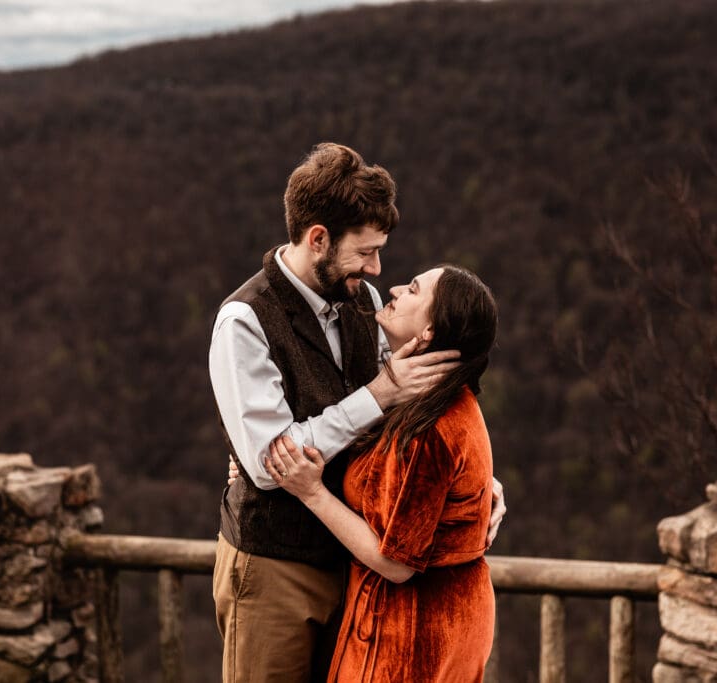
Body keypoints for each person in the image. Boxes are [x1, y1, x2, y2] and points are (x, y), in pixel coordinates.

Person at [209, 143, 504, 682]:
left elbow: (421, 416)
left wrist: (476, 487)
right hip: (276, 569)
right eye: (365, 252)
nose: (376, 268)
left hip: (356, 569)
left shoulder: (363, 300)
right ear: (318, 238)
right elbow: (270, 465)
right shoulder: (245, 322)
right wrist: (379, 392)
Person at [265, 265, 499, 682]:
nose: (391, 288)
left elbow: (397, 564)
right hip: (435, 621)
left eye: (412, 290)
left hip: (413, 634)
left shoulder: (430, 428)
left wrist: (311, 491)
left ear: (428, 333)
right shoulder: (426, 401)